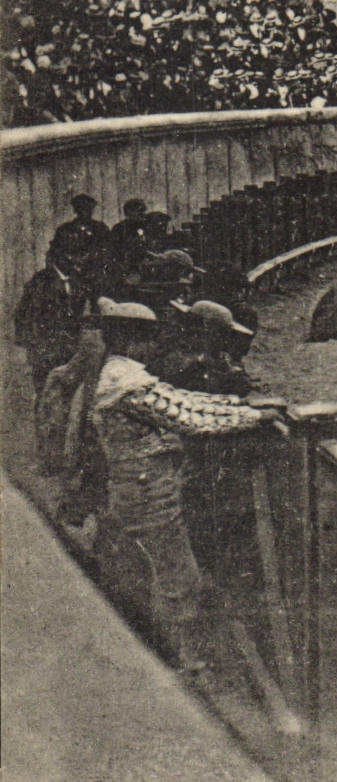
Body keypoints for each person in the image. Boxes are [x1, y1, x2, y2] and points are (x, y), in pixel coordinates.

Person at [88, 299, 283, 672]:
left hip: (145, 485)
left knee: (166, 572)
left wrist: (243, 409)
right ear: (131, 340)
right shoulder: (124, 380)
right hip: (148, 491)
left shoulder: (123, 374)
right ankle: (179, 662)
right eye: (146, 337)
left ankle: (172, 656)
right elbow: (189, 418)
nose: (153, 345)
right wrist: (251, 415)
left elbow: (185, 403)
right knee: (176, 576)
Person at [14, 241, 94, 391]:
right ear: (60, 257)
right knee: (45, 392)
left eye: (79, 255)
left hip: (70, 350)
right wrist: (29, 347)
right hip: (46, 350)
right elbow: (23, 315)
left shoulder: (77, 281)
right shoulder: (40, 281)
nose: (77, 260)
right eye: (72, 255)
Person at [51, 194, 109, 259]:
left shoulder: (100, 229)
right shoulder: (65, 230)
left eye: (88, 208)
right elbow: (55, 253)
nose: (85, 212)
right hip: (70, 267)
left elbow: (108, 251)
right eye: (81, 208)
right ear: (75, 210)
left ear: (92, 210)